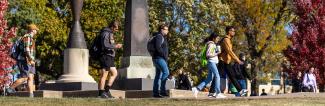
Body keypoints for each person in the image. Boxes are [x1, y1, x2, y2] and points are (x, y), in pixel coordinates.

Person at [6, 24, 39, 97]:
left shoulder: (31, 38)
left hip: (30, 61)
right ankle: (10, 89)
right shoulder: (27, 37)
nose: (36, 31)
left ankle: (31, 95)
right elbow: (26, 50)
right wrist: (31, 60)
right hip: (24, 60)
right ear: (32, 30)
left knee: (31, 77)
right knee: (24, 77)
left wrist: (32, 60)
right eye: (36, 30)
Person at [192, 33, 226, 98]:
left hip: (212, 62)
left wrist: (216, 52)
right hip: (211, 62)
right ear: (213, 38)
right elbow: (208, 55)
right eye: (217, 38)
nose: (218, 40)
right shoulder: (211, 44)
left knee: (209, 78)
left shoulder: (213, 44)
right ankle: (218, 93)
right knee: (217, 76)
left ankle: (196, 89)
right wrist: (217, 53)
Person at [218, 26, 247, 96]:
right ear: (229, 31)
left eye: (234, 31)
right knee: (218, 77)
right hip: (223, 61)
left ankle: (241, 90)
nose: (234, 32)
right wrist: (238, 60)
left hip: (226, 61)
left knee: (231, 76)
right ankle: (212, 91)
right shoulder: (226, 40)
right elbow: (229, 51)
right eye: (232, 31)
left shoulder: (228, 39)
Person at [98, 21, 123, 98]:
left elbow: (109, 44)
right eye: (116, 29)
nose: (116, 30)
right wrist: (116, 46)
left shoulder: (109, 33)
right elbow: (105, 45)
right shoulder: (106, 33)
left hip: (110, 57)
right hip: (105, 56)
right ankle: (101, 93)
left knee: (114, 73)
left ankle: (106, 91)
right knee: (104, 74)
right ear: (112, 27)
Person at [152, 23, 170, 98]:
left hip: (157, 58)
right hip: (159, 58)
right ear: (162, 30)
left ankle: (155, 93)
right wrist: (163, 55)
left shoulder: (161, 36)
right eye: (166, 29)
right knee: (166, 72)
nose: (167, 31)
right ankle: (162, 91)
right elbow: (158, 47)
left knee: (158, 75)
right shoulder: (159, 36)